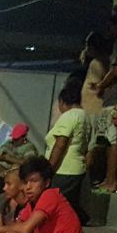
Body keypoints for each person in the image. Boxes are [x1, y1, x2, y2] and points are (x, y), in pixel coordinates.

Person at [86, 31, 117, 192]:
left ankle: (111, 180)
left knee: (111, 140)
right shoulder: (109, 55)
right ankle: (108, 178)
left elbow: (116, 71)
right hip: (109, 101)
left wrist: (100, 85)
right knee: (105, 141)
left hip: (113, 102)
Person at [45, 80, 89, 225]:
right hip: (77, 168)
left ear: (63, 102)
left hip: (63, 169)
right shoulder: (85, 117)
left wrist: (49, 169)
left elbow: (60, 144)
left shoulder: (69, 116)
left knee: (53, 204)